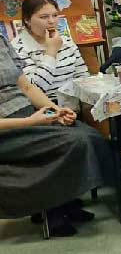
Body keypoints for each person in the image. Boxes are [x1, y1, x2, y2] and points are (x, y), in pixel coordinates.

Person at [0, 32, 108, 236]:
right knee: (74, 141)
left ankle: (64, 201)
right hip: (7, 130)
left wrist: (54, 110)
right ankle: (52, 210)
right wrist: (29, 122)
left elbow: (26, 87)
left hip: (27, 112)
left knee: (90, 135)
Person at [12, 0, 90, 106]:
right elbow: (34, 90)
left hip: (73, 106)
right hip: (42, 111)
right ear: (27, 20)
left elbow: (82, 77)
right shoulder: (17, 48)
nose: (52, 21)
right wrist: (51, 51)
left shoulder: (65, 41)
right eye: (44, 17)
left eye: (55, 15)